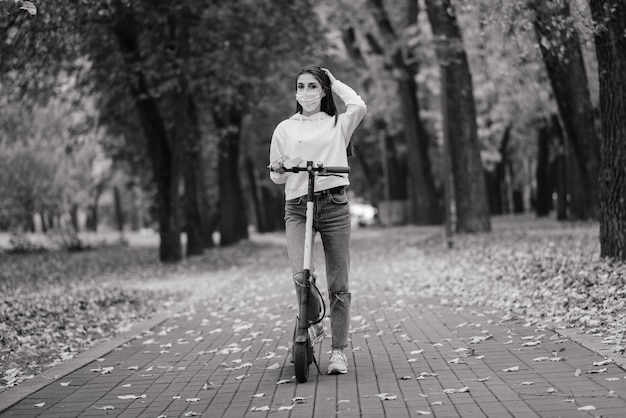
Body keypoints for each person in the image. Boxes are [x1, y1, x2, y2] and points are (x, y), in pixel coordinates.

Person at [268, 65, 366, 375]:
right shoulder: (284, 128)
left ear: (322, 91)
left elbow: (359, 106)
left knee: (339, 283)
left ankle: (338, 351)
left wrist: (335, 81)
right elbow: (276, 176)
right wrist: (281, 168)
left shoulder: (337, 124)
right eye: (301, 86)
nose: (306, 92)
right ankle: (314, 324)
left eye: (313, 86)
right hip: (298, 207)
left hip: (334, 204)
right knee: (301, 277)